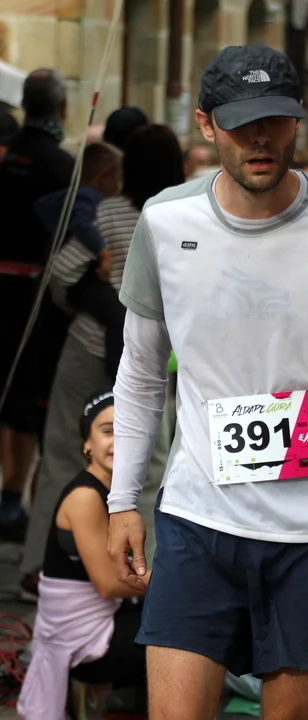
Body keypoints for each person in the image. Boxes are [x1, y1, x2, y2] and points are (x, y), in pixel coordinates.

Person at [108, 44, 308, 720]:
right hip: (197, 522)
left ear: (298, 118)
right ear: (205, 124)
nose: (260, 137)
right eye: (240, 121)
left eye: (275, 119)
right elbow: (139, 373)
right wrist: (121, 500)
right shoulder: (164, 221)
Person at [19, 124, 184, 597]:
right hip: (153, 359)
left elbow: (60, 273)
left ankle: (39, 567)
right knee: (151, 463)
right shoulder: (181, 219)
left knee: (63, 454)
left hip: (89, 348)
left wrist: (87, 301)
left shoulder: (108, 212)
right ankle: (144, 573)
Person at [17, 391, 148, 720]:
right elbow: (109, 585)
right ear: (87, 443)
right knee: (184, 629)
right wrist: (181, 583)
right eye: (108, 431)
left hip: (102, 621)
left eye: (127, 430)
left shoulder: (114, 491)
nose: (118, 441)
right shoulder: (86, 496)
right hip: (84, 641)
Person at [0, 69, 74, 543]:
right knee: (24, 398)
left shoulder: (5, 153)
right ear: (62, 107)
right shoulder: (62, 165)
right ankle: (10, 500)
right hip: (32, 295)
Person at [35, 142, 124, 381]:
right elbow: (81, 221)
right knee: (118, 315)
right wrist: (103, 252)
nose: (120, 187)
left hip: (68, 281)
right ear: (104, 176)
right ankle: (115, 378)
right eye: (118, 179)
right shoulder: (87, 197)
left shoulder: (74, 195)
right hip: (77, 279)